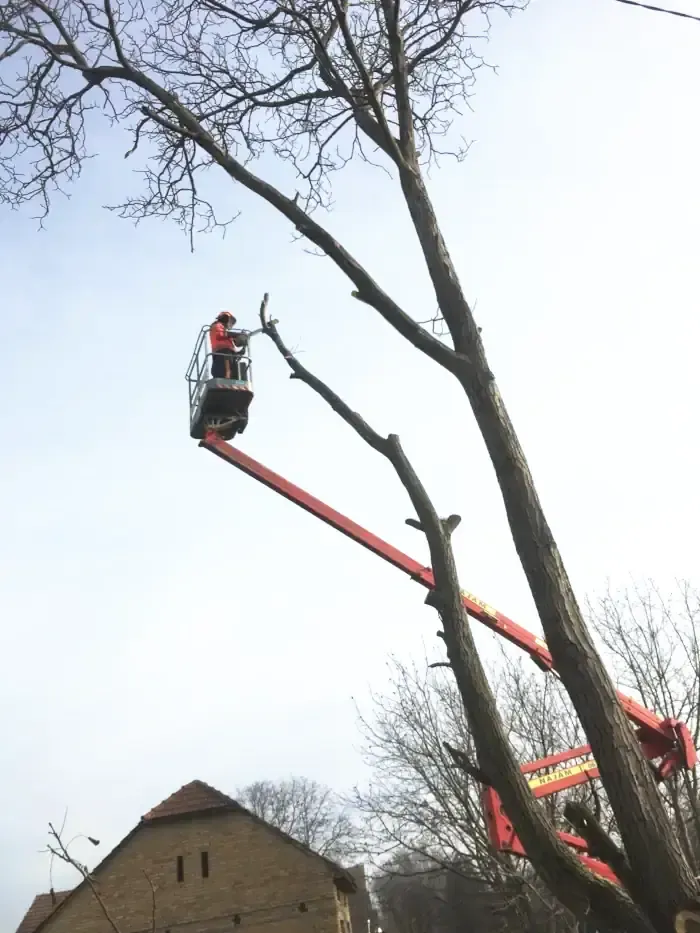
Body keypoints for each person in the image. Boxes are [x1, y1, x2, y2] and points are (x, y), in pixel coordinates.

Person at [209, 311, 246, 379]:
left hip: (228, 354)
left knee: (235, 371)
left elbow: (233, 342)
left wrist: (241, 350)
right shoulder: (217, 325)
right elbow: (220, 335)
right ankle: (227, 378)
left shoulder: (225, 332)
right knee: (226, 372)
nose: (230, 324)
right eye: (230, 321)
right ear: (225, 318)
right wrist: (237, 334)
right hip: (222, 354)